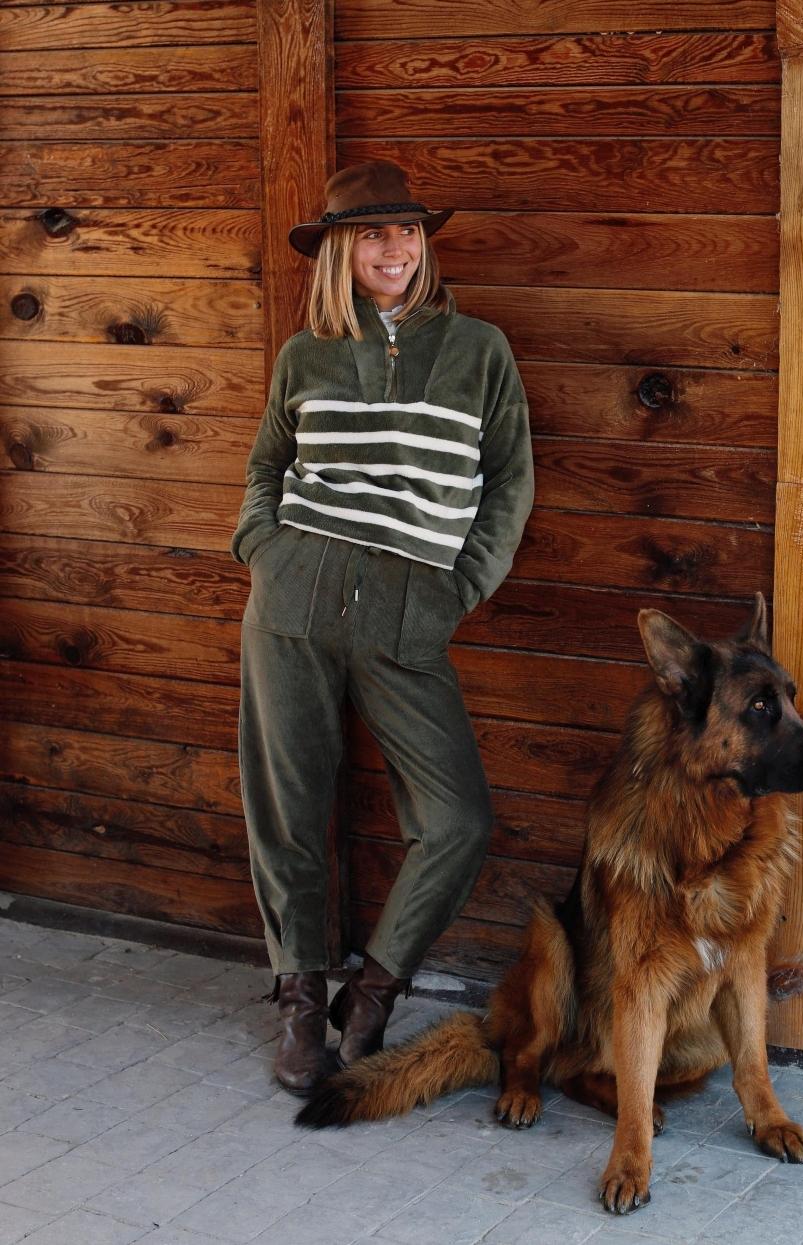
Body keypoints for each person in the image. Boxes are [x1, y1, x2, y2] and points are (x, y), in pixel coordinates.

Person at [231, 161, 534, 1094]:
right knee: (288, 807)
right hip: (295, 599)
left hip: (412, 606)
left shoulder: (481, 349)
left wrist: (457, 590)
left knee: (457, 820)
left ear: (425, 243)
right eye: (370, 234)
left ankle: (373, 991)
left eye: (405, 232)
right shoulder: (305, 354)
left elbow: (509, 485)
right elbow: (265, 469)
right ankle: (298, 1005)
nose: (393, 249)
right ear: (337, 249)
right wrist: (263, 549)